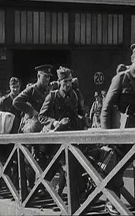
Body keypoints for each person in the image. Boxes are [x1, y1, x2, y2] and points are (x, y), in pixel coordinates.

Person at [100, 42, 135, 214]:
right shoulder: (121, 78)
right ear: (132, 59)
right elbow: (106, 107)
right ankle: (112, 202)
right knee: (117, 169)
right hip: (122, 132)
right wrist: (107, 136)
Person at [38, 66, 87, 195]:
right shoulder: (52, 96)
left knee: (73, 166)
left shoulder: (75, 95)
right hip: (57, 139)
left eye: (70, 81)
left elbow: (81, 113)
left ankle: (74, 194)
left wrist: (83, 122)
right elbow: (41, 117)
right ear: (59, 82)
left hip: (72, 137)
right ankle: (52, 190)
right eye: (65, 82)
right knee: (58, 165)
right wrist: (54, 122)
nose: (68, 84)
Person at [12, 64, 53, 191]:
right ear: (38, 76)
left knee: (45, 156)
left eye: (49, 77)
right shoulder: (32, 89)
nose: (47, 79)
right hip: (31, 127)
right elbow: (17, 101)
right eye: (45, 77)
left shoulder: (49, 90)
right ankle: (28, 187)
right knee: (30, 159)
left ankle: (41, 186)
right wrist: (33, 112)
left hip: (44, 127)